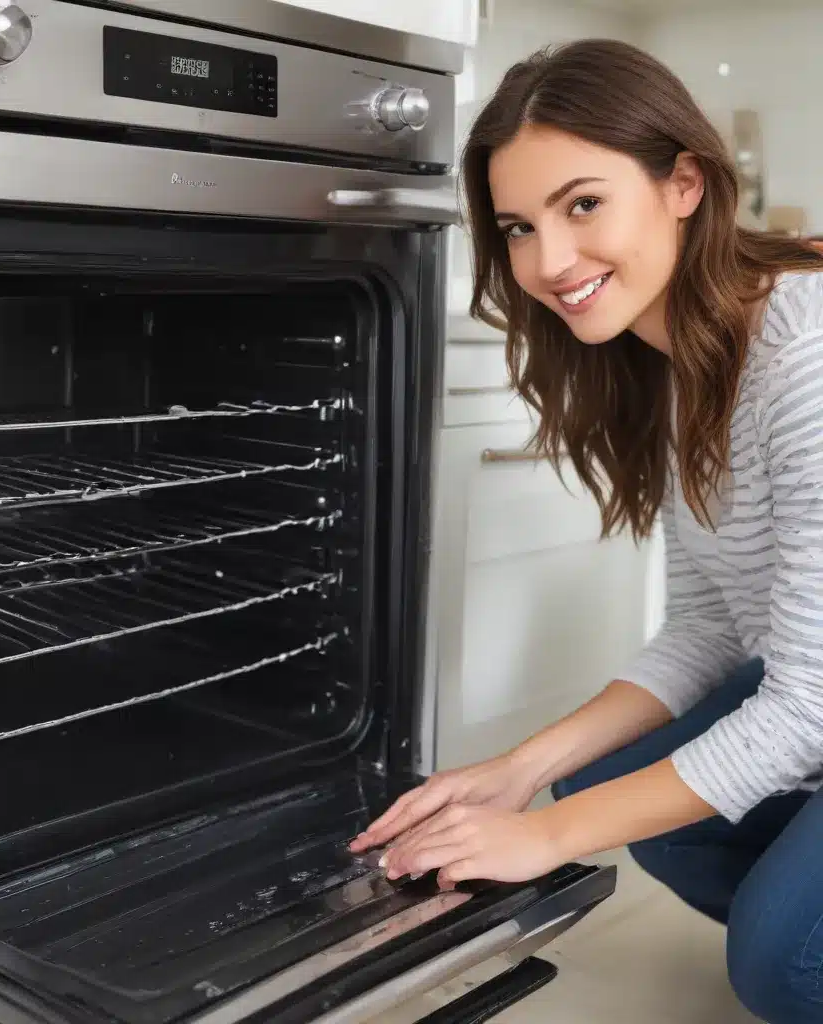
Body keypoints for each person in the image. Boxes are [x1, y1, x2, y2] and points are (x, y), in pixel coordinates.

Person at [349, 39, 823, 1024]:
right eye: (519, 226)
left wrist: (549, 833)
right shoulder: (676, 364)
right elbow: (707, 627)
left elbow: (807, 703)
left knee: (776, 959)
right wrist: (518, 772)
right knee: (608, 785)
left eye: (582, 204)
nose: (548, 262)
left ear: (683, 183)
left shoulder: (806, 353)